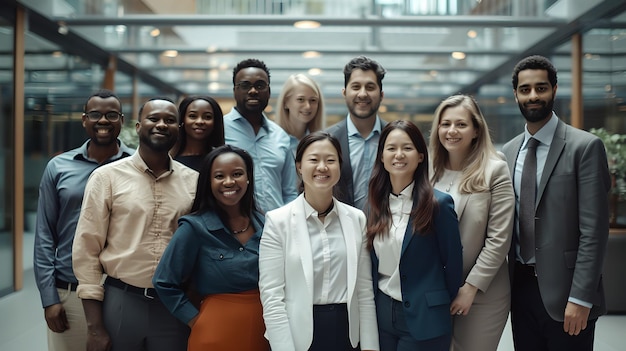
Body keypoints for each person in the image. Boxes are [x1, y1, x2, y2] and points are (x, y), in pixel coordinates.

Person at [502, 55, 610, 351]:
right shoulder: (509, 152)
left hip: (568, 293)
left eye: (541, 88)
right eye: (525, 90)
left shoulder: (584, 148)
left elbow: (594, 231)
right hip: (520, 289)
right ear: (516, 94)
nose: (533, 96)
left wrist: (580, 298)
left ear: (554, 89)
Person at [72, 97, 199, 351]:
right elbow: (87, 250)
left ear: (179, 129)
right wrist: (95, 327)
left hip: (173, 305)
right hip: (121, 301)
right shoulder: (106, 177)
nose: (162, 125)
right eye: (154, 119)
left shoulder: (193, 182)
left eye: (170, 120)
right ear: (139, 126)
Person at [259, 132, 379, 351]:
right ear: (299, 166)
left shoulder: (356, 219)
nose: (322, 167)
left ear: (339, 167)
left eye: (330, 160)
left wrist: (370, 345)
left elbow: (364, 290)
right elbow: (272, 298)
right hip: (299, 336)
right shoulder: (277, 222)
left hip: (347, 333)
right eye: (313, 160)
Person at [33, 89, 134, 351]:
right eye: (95, 114)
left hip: (122, 292)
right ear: (83, 120)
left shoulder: (136, 165)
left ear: (122, 120)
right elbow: (45, 235)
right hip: (70, 291)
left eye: (111, 115)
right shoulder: (58, 167)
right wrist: (49, 299)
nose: (103, 121)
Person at [153, 145, 269, 351]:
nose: (229, 182)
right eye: (219, 176)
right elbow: (164, 281)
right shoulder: (194, 227)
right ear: (209, 181)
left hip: (266, 332)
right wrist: (195, 320)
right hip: (215, 332)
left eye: (237, 174)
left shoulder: (268, 224)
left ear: (248, 178)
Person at [429, 94, 515, 351]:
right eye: (445, 124)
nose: (451, 131)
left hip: (482, 293)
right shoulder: (428, 170)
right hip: (435, 291)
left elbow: (499, 239)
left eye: (461, 124)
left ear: (476, 130)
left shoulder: (495, 169)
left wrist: (470, 288)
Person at [368, 120, 463, 351]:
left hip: (424, 317)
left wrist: (434, 302)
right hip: (381, 315)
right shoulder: (372, 205)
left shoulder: (439, 204)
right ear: (381, 156)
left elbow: (453, 266)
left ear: (421, 156)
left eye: (407, 148)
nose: (399, 155)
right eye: (391, 148)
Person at [224, 58, 298, 212]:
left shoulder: (281, 136)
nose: (253, 91)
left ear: (269, 91)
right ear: (234, 91)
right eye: (245, 85)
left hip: (276, 229)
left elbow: (289, 191)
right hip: (233, 230)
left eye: (260, 85)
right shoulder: (219, 130)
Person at [326, 56, 387, 210]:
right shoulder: (328, 141)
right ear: (344, 92)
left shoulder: (395, 138)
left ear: (381, 95)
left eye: (370, 87)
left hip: (389, 229)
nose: (362, 94)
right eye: (356, 87)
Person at [275, 73, 325, 156]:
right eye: (301, 99)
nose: (307, 106)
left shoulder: (323, 143)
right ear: (286, 102)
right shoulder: (273, 141)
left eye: (313, 100)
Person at [171, 95, 225, 171]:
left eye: (207, 117)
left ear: (215, 122)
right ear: (182, 120)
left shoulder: (222, 159)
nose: (199, 122)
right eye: (193, 116)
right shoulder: (167, 159)